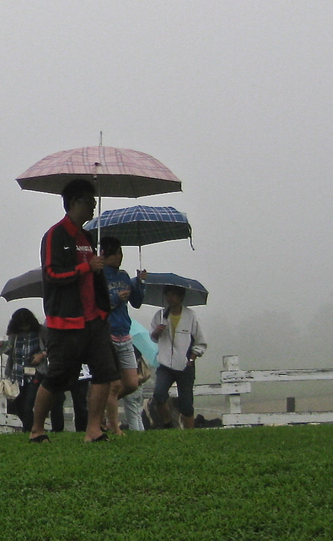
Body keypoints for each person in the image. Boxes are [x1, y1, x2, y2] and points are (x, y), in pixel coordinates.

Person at [29, 178, 120, 443]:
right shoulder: (55, 235)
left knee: (104, 372)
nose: (93, 206)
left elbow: (94, 274)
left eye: (94, 201)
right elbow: (51, 274)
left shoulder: (88, 237)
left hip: (95, 319)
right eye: (89, 201)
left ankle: (93, 430)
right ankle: (37, 429)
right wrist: (86, 268)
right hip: (66, 321)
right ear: (73, 202)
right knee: (58, 376)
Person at [99, 236, 147, 435]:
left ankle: (99, 406)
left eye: (121, 253)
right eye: (117, 253)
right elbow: (99, 304)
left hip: (124, 333)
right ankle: (114, 427)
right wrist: (116, 298)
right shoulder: (99, 276)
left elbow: (136, 302)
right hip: (107, 332)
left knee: (131, 383)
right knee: (113, 384)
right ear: (106, 254)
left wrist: (140, 283)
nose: (120, 257)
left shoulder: (124, 276)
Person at [149, 285, 207, 430]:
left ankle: (189, 435)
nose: (170, 298)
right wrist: (156, 331)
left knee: (186, 404)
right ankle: (168, 424)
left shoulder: (191, 316)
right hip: (165, 365)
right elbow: (154, 338)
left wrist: (191, 360)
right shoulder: (160, 316)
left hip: (185, 365)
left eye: (173, 295)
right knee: (159, 395)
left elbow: (200, 342)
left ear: (181, 297)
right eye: (167, 295)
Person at [0, 309, 53, 433]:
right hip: (16, 374)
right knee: (17, 404)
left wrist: (41, 355)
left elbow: (52, 346)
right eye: (22, 325)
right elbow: (12, 351)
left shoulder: (41, 331)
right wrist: (2, 347)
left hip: (36, 373)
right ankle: (30, 429)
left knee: (28, 405)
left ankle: (31, 430)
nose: (25, 327)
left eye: (26, 324)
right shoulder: (14, 334)